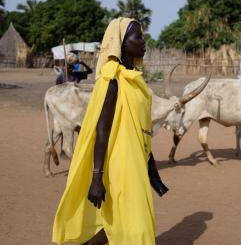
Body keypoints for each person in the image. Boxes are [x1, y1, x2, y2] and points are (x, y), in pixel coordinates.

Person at [52, 17, 168, 245]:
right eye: (138, 37)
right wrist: (97, 178)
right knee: (135, 224)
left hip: (135, 163)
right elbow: (102, 130)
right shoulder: (112, 80)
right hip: (119, 165)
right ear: (121, 44)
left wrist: (151, 165)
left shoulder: (135, 80)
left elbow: (141, 128)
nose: (143, 42)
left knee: (123, 222)